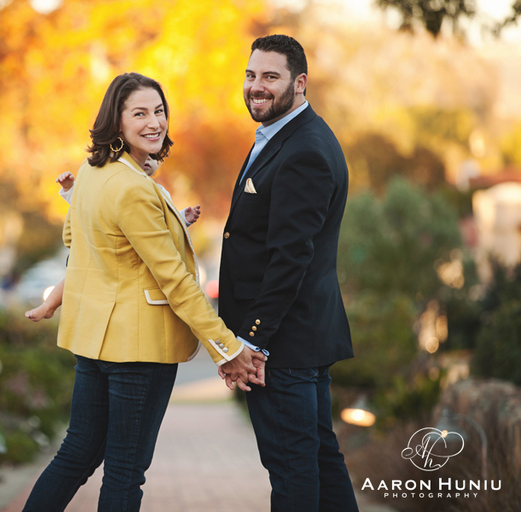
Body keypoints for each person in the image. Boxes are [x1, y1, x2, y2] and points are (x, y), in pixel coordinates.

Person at [22, 72, 264, 512]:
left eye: (159, 111)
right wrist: (226, 349)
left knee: (76, 455)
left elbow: (83, 241)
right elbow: (175, 282)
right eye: (139, 113)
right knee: (124, 471)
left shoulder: (93, 173)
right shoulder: (133, 187)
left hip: (96, 343)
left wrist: (171, 224)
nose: (154, 122)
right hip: (139, 350)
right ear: (117, 122)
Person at [217, 35, 359, 511]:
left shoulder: (305, 152)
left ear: (299, 83)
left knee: (293, 469)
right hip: (296, 341)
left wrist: (252, 342)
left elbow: (290, 258)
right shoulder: (284, 137)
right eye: (251, 75)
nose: (257, 87)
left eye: (270, 77)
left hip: (283, 346)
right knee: (317, 460)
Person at [24, 159, 201, 322]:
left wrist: (181, 219)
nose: (146, 160)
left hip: (135, 255)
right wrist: (70, 188)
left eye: (152, 157)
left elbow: (164, 228)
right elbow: (88, 204)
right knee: (74, 274)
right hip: (105, 245)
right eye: (141, 155)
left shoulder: (160, 193)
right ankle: (49, 306)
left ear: (160, 163)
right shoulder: (115, 183)